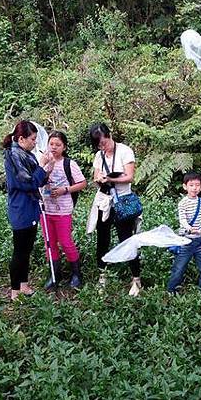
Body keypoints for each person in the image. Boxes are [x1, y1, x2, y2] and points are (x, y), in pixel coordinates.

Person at [88, 123, 142, 296]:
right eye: (99, 145)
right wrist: (100, 180)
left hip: (123, 201)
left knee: (126, 239)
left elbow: (129, 177)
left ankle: (136, 279)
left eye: (104, 142)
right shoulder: (99, 155)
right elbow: (96, 175)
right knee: (102, 238)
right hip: (104, 201)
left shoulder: (125, 151)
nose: (103, 147)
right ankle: (102, 274)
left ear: (110, 135)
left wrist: (112, 179)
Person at [2, 121, 50, 301]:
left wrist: (46, 170)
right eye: (32, 139)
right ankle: (15, 291)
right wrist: (41, 166)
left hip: (30, 206)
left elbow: (38, 180)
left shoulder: (25, 154)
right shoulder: (14, 155)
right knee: (20, 250)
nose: (35, 143)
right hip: (21, 208)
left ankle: (24, 285)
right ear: (21, 138)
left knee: (27, 248)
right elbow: (27, 183)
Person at [41, 131, 87, 290]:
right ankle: (54, 274)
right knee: (50, 243)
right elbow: (37, 181)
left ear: (64, 147)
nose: (53, 147)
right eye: (51, 144)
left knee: (66, 242)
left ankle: (76, 273)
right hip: (46, 209)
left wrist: (65, 189)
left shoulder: (69, 164)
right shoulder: (43, 162)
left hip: (63, 209)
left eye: (58, 145)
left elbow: (82, 183)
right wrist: (44, 166)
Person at [167, 172, 201, 294]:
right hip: (186, 241)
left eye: (197, 185)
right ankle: (171, 291)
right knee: (179, 269)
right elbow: (182, 220)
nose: (194, 188)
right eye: (191, 185)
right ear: (185, 186)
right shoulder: (182, 203)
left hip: (199, 242)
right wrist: (189, 228)